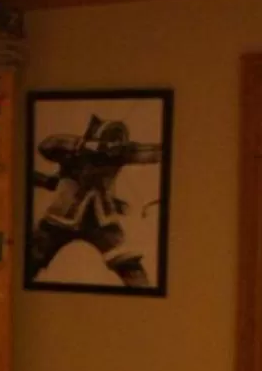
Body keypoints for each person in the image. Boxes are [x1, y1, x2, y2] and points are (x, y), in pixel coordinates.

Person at [29, 113, 162, 285]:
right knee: (33, 257)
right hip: (60, 218)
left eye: (117, 142)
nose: (112, 148)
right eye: (110, 141)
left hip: (101, 221)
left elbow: (152, 153)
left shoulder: (119, 154)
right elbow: (47, 146)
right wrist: (81, 144)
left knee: (129, 264)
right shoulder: (75, 152)